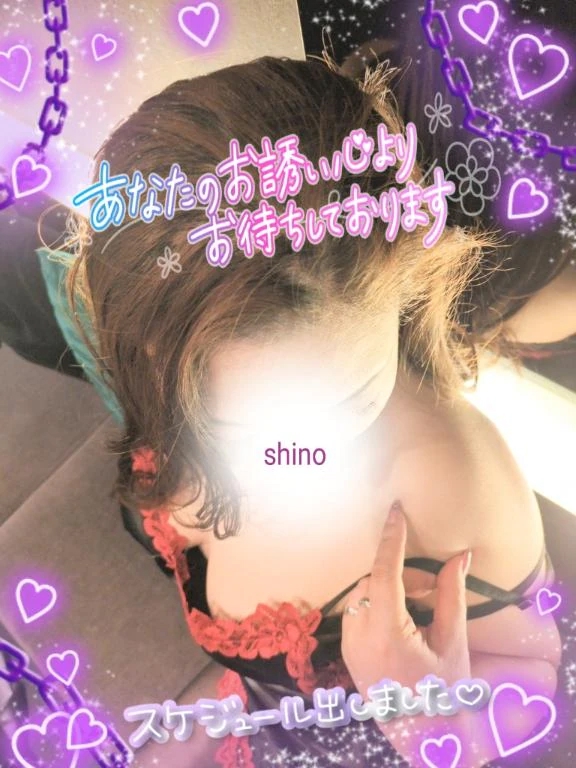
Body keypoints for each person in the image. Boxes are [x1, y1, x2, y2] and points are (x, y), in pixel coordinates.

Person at [1, 56, 566, 766]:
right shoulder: (158, 364)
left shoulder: (461, 495)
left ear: (408, 286)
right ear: (146, 350)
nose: (295, 451)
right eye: (241, 418)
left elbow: (535, 675)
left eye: (349, 398)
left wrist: (432, 727)